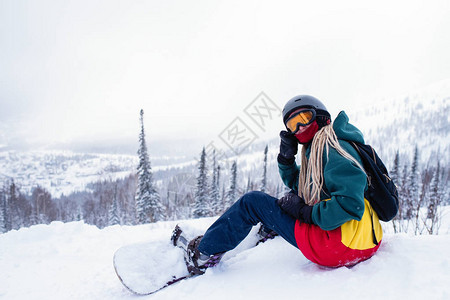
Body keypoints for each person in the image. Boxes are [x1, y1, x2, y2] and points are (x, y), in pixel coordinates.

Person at [175, 95, 383, 275]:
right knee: (293, 196)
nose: (299, 128)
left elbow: (350, 205)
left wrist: (305, 212)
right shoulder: (331, 145)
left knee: (252, 202)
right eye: (292, 125)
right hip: (364, 241)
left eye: (304, 118)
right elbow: (301, 185)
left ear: (321, 117)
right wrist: (286, 159)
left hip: (337, 247)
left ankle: (203, 255)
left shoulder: (332, 149)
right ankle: (271, 229)